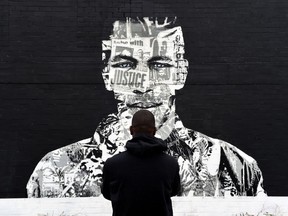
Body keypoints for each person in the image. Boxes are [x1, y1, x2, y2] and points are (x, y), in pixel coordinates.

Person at [27, 17, 266, 198]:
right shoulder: (54, 170)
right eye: (126, 65)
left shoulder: (235, 167)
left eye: (159, 64)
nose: (142, 85)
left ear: (181, 73)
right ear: (107, 75)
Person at [101, 110, 180, 216]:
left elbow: (107, 194)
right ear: (154, 131)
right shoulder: (171, 163)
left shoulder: (112, 164)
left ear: (131, 130)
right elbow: (174, 191)